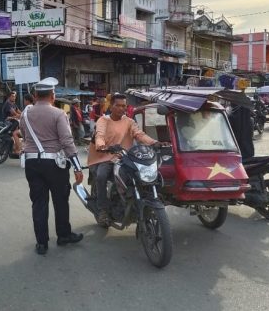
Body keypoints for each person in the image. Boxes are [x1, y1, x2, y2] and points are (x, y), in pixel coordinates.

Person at [20, 77, 84, 255]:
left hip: (32, 163)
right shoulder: (58, 114)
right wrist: (77, 167)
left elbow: (24, 136)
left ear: (35, 95)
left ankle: (42, 243)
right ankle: (63, 235)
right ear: (52, 95)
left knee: (39, 203)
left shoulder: (25, 114)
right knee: (60, 200)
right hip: (54, 164)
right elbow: (67, 141)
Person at [88, 93, 164, 225]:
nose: (122, 108)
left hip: (125, 158)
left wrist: (154, 142)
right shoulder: (103, 120)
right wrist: (102, 146)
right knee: (101, 175)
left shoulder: (129, 121)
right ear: (111, 106)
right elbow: (99, 134)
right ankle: (103, 211)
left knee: (141, 175)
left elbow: (139, 134)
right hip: (107, 157)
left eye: (124, 106)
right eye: (118, 105)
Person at [2, 91, 22, 155]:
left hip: (12, 119)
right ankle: (9, 134)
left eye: (15, 97)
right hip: (7, 121)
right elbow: (14, 113)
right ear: (9, 97)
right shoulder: (8, 104)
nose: (14, 98)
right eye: (12, 96)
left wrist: (23, 114)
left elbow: (18, 111)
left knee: (17, 123)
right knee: (15, 126)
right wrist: (19, 116)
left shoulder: (13, 104)